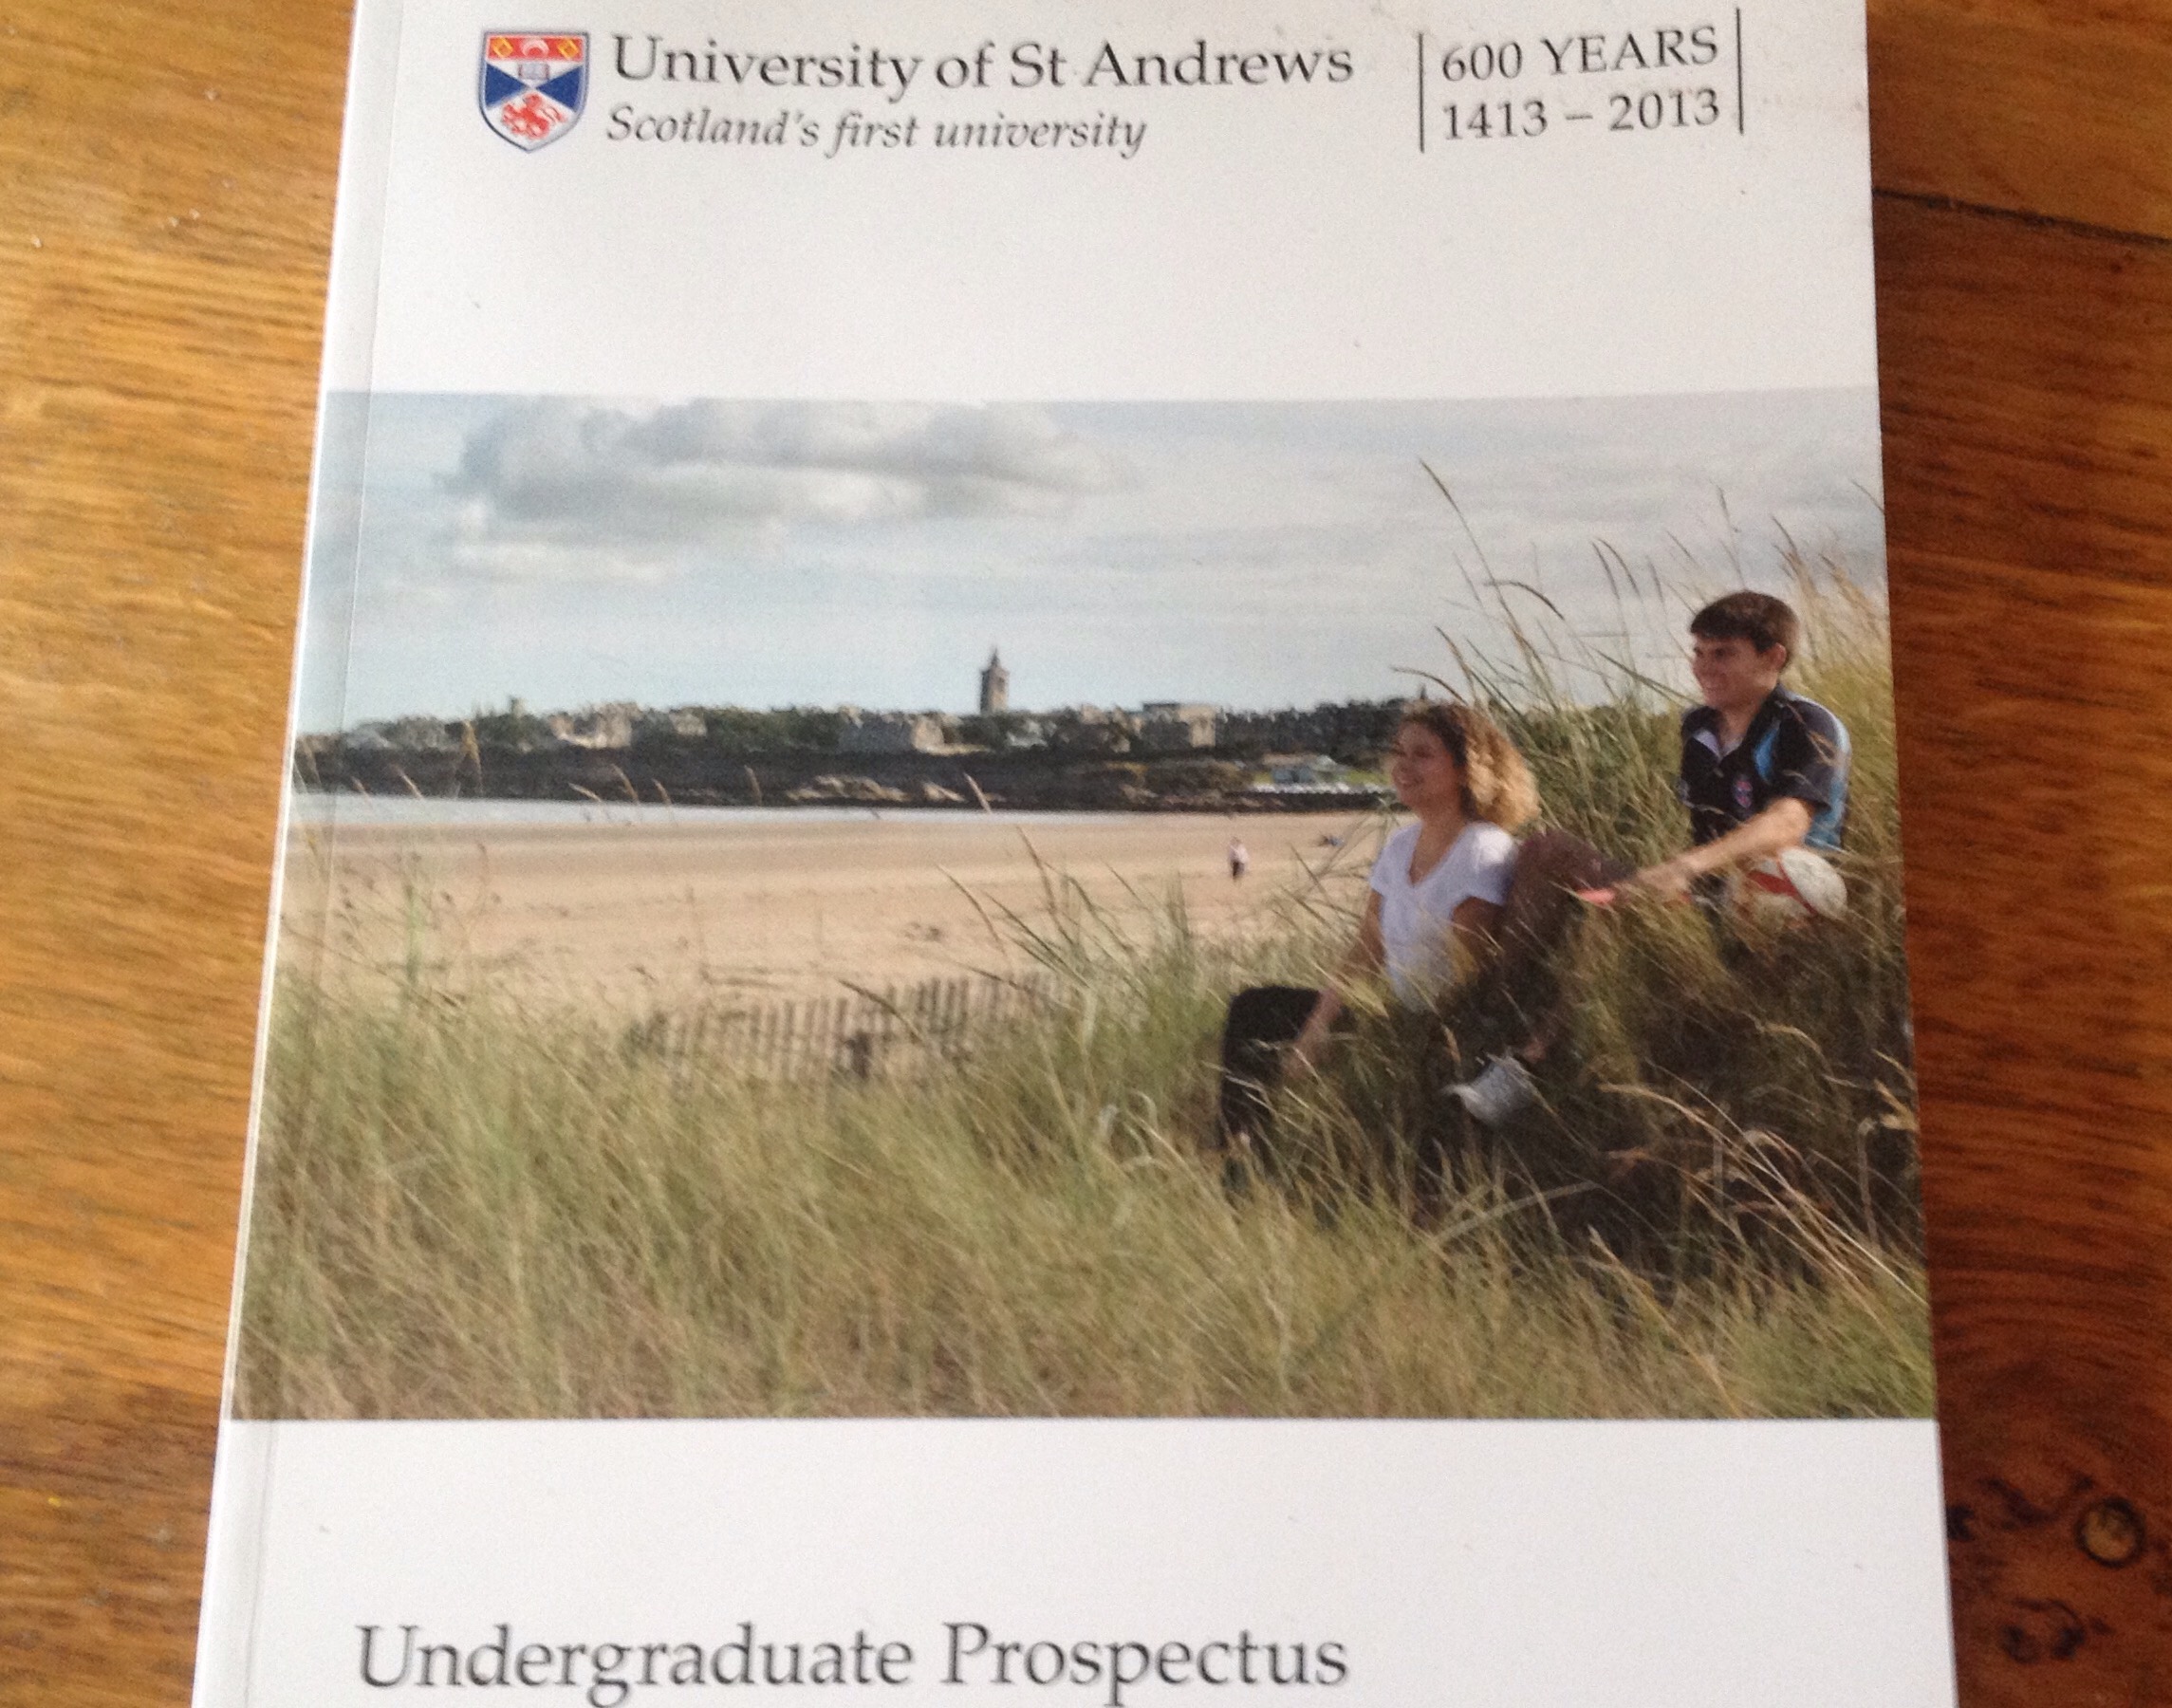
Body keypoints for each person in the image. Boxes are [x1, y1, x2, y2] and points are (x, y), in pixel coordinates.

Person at [1446, 588, 1850, 1125]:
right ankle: (1492, 1006)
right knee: (1547, 849)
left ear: (1773, 657)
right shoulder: (1699, 727)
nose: (1702, 667)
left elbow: (1789, 822)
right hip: (1707, 894)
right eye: (1698, 652)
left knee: (1615, 911)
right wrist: (1670, 880)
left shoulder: (1806, 724)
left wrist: (1680, 870)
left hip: (1785, 900)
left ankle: (1528, 1065)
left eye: (1722, 653)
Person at [1215, 701, 1538, 1166]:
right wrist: (1316, 1031)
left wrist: (1394, 1041)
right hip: (1393, 1009)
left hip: (1440, 1029)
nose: (1403, 766)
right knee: (1255, 1010)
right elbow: (1366, 948)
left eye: (1422, 754)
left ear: (1466, 768)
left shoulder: (1482, 851)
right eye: (1398, 752)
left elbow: (1467, 979)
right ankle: (1241, 1154)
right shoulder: (1401, 845)